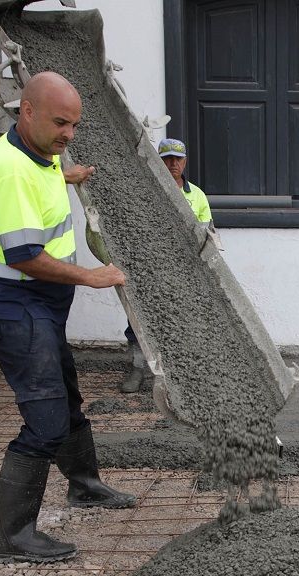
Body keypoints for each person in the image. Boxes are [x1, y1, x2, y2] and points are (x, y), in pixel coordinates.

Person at [0, 71, 137, 564]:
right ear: (27, 111)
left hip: (38, 303)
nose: (68, 135)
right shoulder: (12, 171)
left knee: (66, 396)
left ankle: (84, 486)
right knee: (44, 419)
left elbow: (40, 178)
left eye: (74, 126)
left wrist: (66, 175)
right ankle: (15, 537)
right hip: (13, 303)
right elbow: (22, 254)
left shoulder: (38, 155)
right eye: (61, 123)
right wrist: (91, 277)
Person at [120, 137, 215, 393]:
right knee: (138, 320)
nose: (173, 163)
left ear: (185, 162)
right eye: (167, 158)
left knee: (182, 321)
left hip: (184, 272)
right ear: (158, 160)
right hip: (149, 269)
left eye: (178, 159)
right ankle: (138, 368)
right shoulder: (144, 191)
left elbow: (208, 235)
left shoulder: (197, 196)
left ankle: (182, 372)